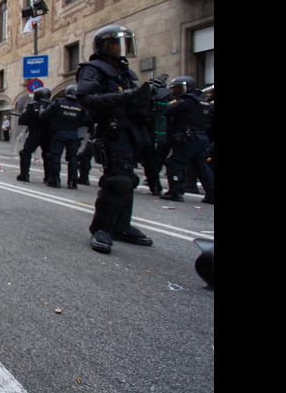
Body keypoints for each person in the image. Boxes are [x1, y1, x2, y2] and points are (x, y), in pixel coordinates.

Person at [75, 24, 165, 254]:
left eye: (125, 43)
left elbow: (134, 99)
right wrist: (125, 96)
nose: (121, 48)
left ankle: (121, 225)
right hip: (111, 130)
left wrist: (150, 91)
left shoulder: (125, 72)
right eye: (116, 43)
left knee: (129, 179)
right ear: (104, 46)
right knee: (117, 180)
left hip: (132, 131)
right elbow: (86, 98)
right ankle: (101, 228)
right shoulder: (93, 69)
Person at [160, 76, 214, 204]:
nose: (174, 91)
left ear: (186, 87)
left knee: (176, 164)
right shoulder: (203, 102)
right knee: (202, 167)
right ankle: (212, 194)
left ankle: (175, 192)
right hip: (201, 138)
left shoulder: (186, 100)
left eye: (177, 88)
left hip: (187, 139)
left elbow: (166, 109)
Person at [42, 85, 90, 189]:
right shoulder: (80, 106)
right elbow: (86, 120)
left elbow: (45, 115)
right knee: (73, 158)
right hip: (73, 134)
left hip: (58, 133)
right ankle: (72, 182)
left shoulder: (58, 102)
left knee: (55, 156)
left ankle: (55, 180)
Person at [16, 88, 52, 183]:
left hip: (35, 133)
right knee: (48, 154)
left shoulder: (32, 105)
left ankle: (24, 175)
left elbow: (22, 120)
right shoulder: (52, 106)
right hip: (49, 134)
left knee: (25, 153)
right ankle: (49, 177)